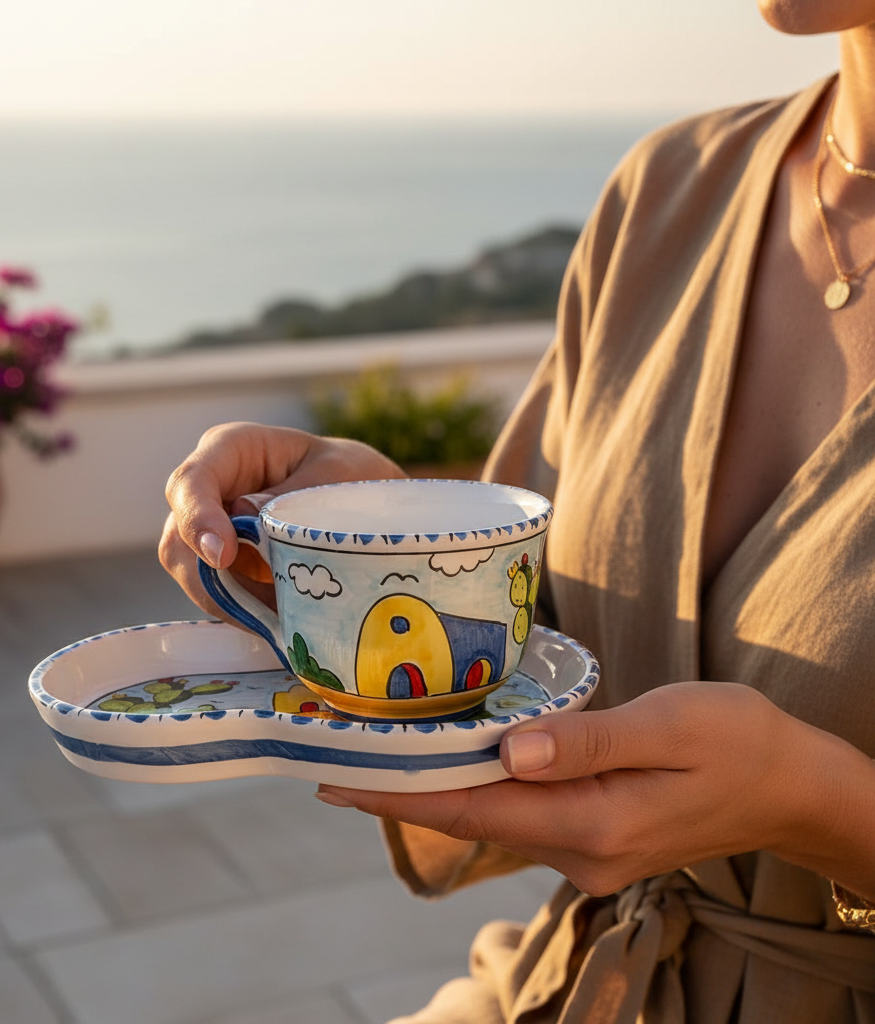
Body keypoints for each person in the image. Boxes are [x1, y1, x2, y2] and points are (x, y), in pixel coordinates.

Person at [159, 3, 875, 1020]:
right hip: (577, 985)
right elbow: (533, 665)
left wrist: (827, 810)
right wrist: (384, 538)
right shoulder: (672, 192)